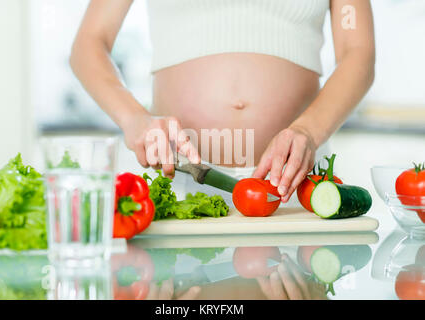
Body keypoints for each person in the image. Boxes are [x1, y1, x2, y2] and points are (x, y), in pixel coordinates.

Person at [70, 0, 375, 204]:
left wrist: (309, 131)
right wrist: (133, 118)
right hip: (176, 174)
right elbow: (90, 42)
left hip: (294, 179)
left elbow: (358, 51)